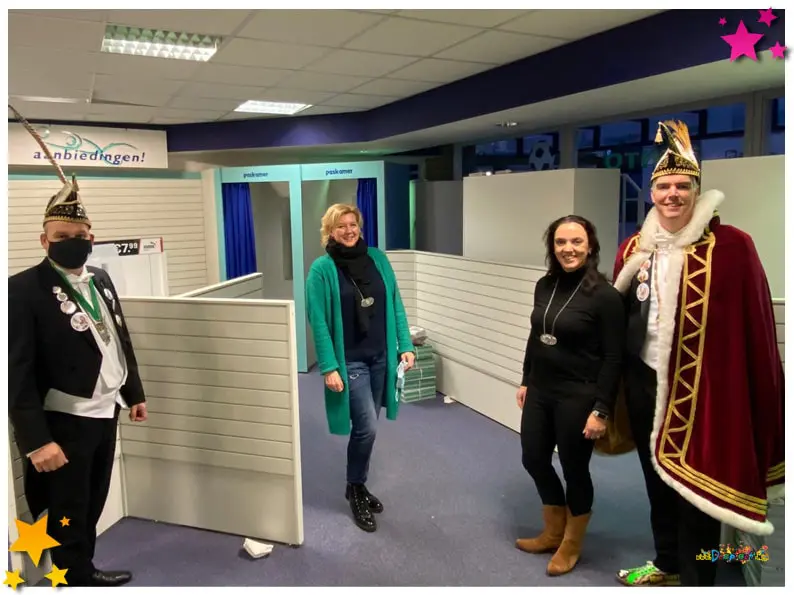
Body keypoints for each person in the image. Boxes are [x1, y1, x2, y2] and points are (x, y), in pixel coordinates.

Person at [612, 120, 785, 587]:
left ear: (696, 191)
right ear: (652, 193)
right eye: (664, 186)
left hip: (707, 391)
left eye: (682, 186)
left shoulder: (733, 247)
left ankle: (699, 578)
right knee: (656, 480)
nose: (673, 195)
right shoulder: (634, 248)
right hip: (645, 382)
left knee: (699, 491)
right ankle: (667, 562)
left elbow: (753, 330)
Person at [8, 105, 148, 587]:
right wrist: (35, 441)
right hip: (63, 421)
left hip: (107, 411)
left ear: (92, 237)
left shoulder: (101, 278)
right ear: (43, 239)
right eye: (61, 237)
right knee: (67, 507)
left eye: (79, 236)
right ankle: (73, 578)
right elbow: (16, 372)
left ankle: (82, 570)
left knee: (92, 499)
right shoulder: (22, 290)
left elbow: (119, 339)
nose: (72, 242)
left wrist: (133, 392)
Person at [515, 215, 625, 576]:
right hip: (541, 389)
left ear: (590, 246)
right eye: (561, 242)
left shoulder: (605, 296)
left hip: (579, 395)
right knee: (533, 458)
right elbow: (536, 336)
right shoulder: (544, 285)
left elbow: (613, 358)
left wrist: (602, 409)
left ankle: (571, 543)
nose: (568, 249)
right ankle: (552, 532)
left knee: (574, 468)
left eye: (577, 242)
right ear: (553, 247)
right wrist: (526, 379)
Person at [305, 203, 415, 533]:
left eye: (353, 224)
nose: (348, 230)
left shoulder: (378, 259)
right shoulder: (322, 269)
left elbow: (395, 302)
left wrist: (405, 344)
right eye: (341, 226)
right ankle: (354, 487)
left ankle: (359, 483)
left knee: (369, 426)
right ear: (330, 231)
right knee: (367, 426)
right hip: (350, 360)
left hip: (381, 355)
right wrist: (329, 366)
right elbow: (318, 320)